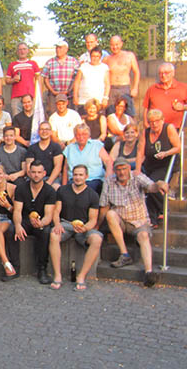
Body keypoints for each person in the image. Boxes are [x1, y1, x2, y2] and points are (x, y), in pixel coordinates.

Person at [98, 157, 168, 287]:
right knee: (110, 214)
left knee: (143, 236)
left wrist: (159, 184)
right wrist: (97, 226)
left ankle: (149, 272)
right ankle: (124, 254)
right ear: (114, 171)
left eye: (124, 169)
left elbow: (151, 186)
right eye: (118, 170)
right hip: (121, 221)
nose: (121, 172)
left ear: (129, 168)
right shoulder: (109, 181)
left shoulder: (137, 177)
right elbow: (104, 207)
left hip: (139, 222)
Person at [49, 165, 103, 291]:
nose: (78, 178)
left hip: (83, 226)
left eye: (81, 175)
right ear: (72, 175)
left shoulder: (93, 195)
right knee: (53, 235)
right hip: (66, 223)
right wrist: (57, 224)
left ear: (86, 176)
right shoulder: (62, 190)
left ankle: (81, 276)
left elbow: (93, 219)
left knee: (97, 240)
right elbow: (56, 211)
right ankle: (57, 275)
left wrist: (85, 228)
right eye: (76, 175)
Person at [13, 160, 56, 284]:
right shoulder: (21, 188)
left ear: (44, 173)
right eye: (33, 172)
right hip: (25, 220)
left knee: (45, 232)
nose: (36, 175)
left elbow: (49, 215)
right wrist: (17, 225)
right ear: (29, 173)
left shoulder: (49, 191)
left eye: (39, 172)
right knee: (11, 230)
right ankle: (14, 267)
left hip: (41, 220)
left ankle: (42, 269)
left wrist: (41, 223)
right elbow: (17, 211)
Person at [136, 109, 180, 225]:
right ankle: (153, 220)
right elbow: (140, 152)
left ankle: (164, 208)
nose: (154, 124)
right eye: (151, 122)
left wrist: (165, 153)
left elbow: (178, 147)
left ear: (162, 120)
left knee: (152, 184)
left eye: (157, 121)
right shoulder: (146, 133)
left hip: (166, 164)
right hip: (150, 165)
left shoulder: (168, 128)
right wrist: (137, 169)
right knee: (146, 187)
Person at [63, 123, 112, 194]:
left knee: (87, 191)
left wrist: (108, 180)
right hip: (74, 180)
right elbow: (65, 168)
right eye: (78, 134)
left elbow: (108, 161)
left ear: (89, 135)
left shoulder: (96, 145)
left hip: (94, 180)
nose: (81, 137)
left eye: (84, 134)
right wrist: (63, 187)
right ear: (75, 136)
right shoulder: (70, 148)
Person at [102, 35, 140, 116]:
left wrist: (135, 88)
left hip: (124, 88)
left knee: (128, 113)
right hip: (111, 89)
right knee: (110, 114)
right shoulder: (106, 59)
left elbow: (136, 72)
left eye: (117, 44)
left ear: (121, 44)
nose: (115, 47)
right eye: (112, 45)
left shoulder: (129, 56)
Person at [41, 40, 80, 117]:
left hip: (69, 95)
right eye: (57, 48)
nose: (58, 50)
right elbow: (45, 78)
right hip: (54, 96)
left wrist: (69, 90)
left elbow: (77, 77)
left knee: (70, 115)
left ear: (66, 49)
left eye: (60, 48)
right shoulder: (50, 62)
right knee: (53, 115)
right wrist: (53, 91)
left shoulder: (73, 61)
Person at [143, 62, 187, 129]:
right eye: (161, 73)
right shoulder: (152, 89)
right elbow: (146, 107)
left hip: (175, 128)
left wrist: (183, 107)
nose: (163, 75)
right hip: (155, 127)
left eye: (166, 73)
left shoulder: (183, 88)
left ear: (173, 73)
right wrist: (145, 122)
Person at [6, 42, 40, 116]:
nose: (22, 51)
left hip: (30, 97)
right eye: (20, 49)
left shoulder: (33, 64)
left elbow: (38, 79)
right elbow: (7, 81)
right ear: (17, 52)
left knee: (31, 118)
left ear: (27, 50)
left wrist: (36, 95)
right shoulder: (12, 65)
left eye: (24, 49)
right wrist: (13, 79)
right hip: (16, 97)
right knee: (16, 118)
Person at [25, 121, 64, 188]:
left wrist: (49, 182)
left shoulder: (56, 147)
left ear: (51, 132)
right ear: (38, 132)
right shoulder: (32, 148)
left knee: (56, 188)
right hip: (35, 178)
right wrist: (38, 182)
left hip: (51, 178)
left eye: (47, 129)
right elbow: (28, 168)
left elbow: (58, 167)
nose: (44, 131)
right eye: (42, 129)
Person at [73, 46, 110, 115]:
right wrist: (75, 96)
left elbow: (107, 84)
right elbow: (77, 82)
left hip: (98, 101)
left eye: (97, 56)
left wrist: (105, 98)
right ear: (90, 56)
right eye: (93, 56)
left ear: (100, 57)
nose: (95, 58)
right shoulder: (83, 66)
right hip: (83, 101)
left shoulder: (104, 67)